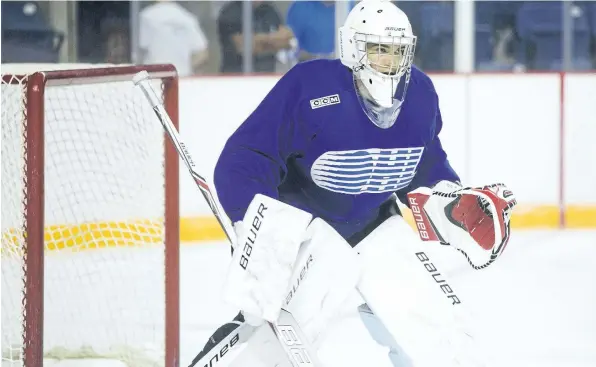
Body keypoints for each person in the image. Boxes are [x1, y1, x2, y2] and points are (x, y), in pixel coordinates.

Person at [192, 0, 517, 366]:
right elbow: (245, 159)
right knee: (265, 352)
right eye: (379, 50)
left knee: (444, 338)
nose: (389, 62)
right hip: (305, 229)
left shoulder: (421, 96)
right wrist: (259, 221)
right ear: (352, 48)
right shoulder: (310, 86)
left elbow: (423, 162)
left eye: (397, 52)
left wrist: (451, 201)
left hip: (374, 224)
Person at [217, 0, 295, 73]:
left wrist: (259, 41)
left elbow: (286, 41)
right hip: (236, 76)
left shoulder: (270, 10)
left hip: (268, 74)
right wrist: (272, 41)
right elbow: (244, 46)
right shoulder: (230, 12)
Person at [139, 0, 209, 76]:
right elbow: (202, 54)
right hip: (182, 77)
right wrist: (186, 68)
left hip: (153, 77)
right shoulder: (187, 17)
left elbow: (138, 49)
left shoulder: (146, 16)